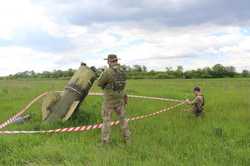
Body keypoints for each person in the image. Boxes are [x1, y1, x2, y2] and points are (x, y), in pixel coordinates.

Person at [97, 54, 130, 144]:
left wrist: (102, 73)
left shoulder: (107, 71)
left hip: (109, 101)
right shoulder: (122, 71)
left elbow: (99, 83)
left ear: (108, 61)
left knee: (106, 121)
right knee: (123, 120)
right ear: (116, 61)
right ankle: (127, 139)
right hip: (120, 99)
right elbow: (123, 85)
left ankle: (104, 142)